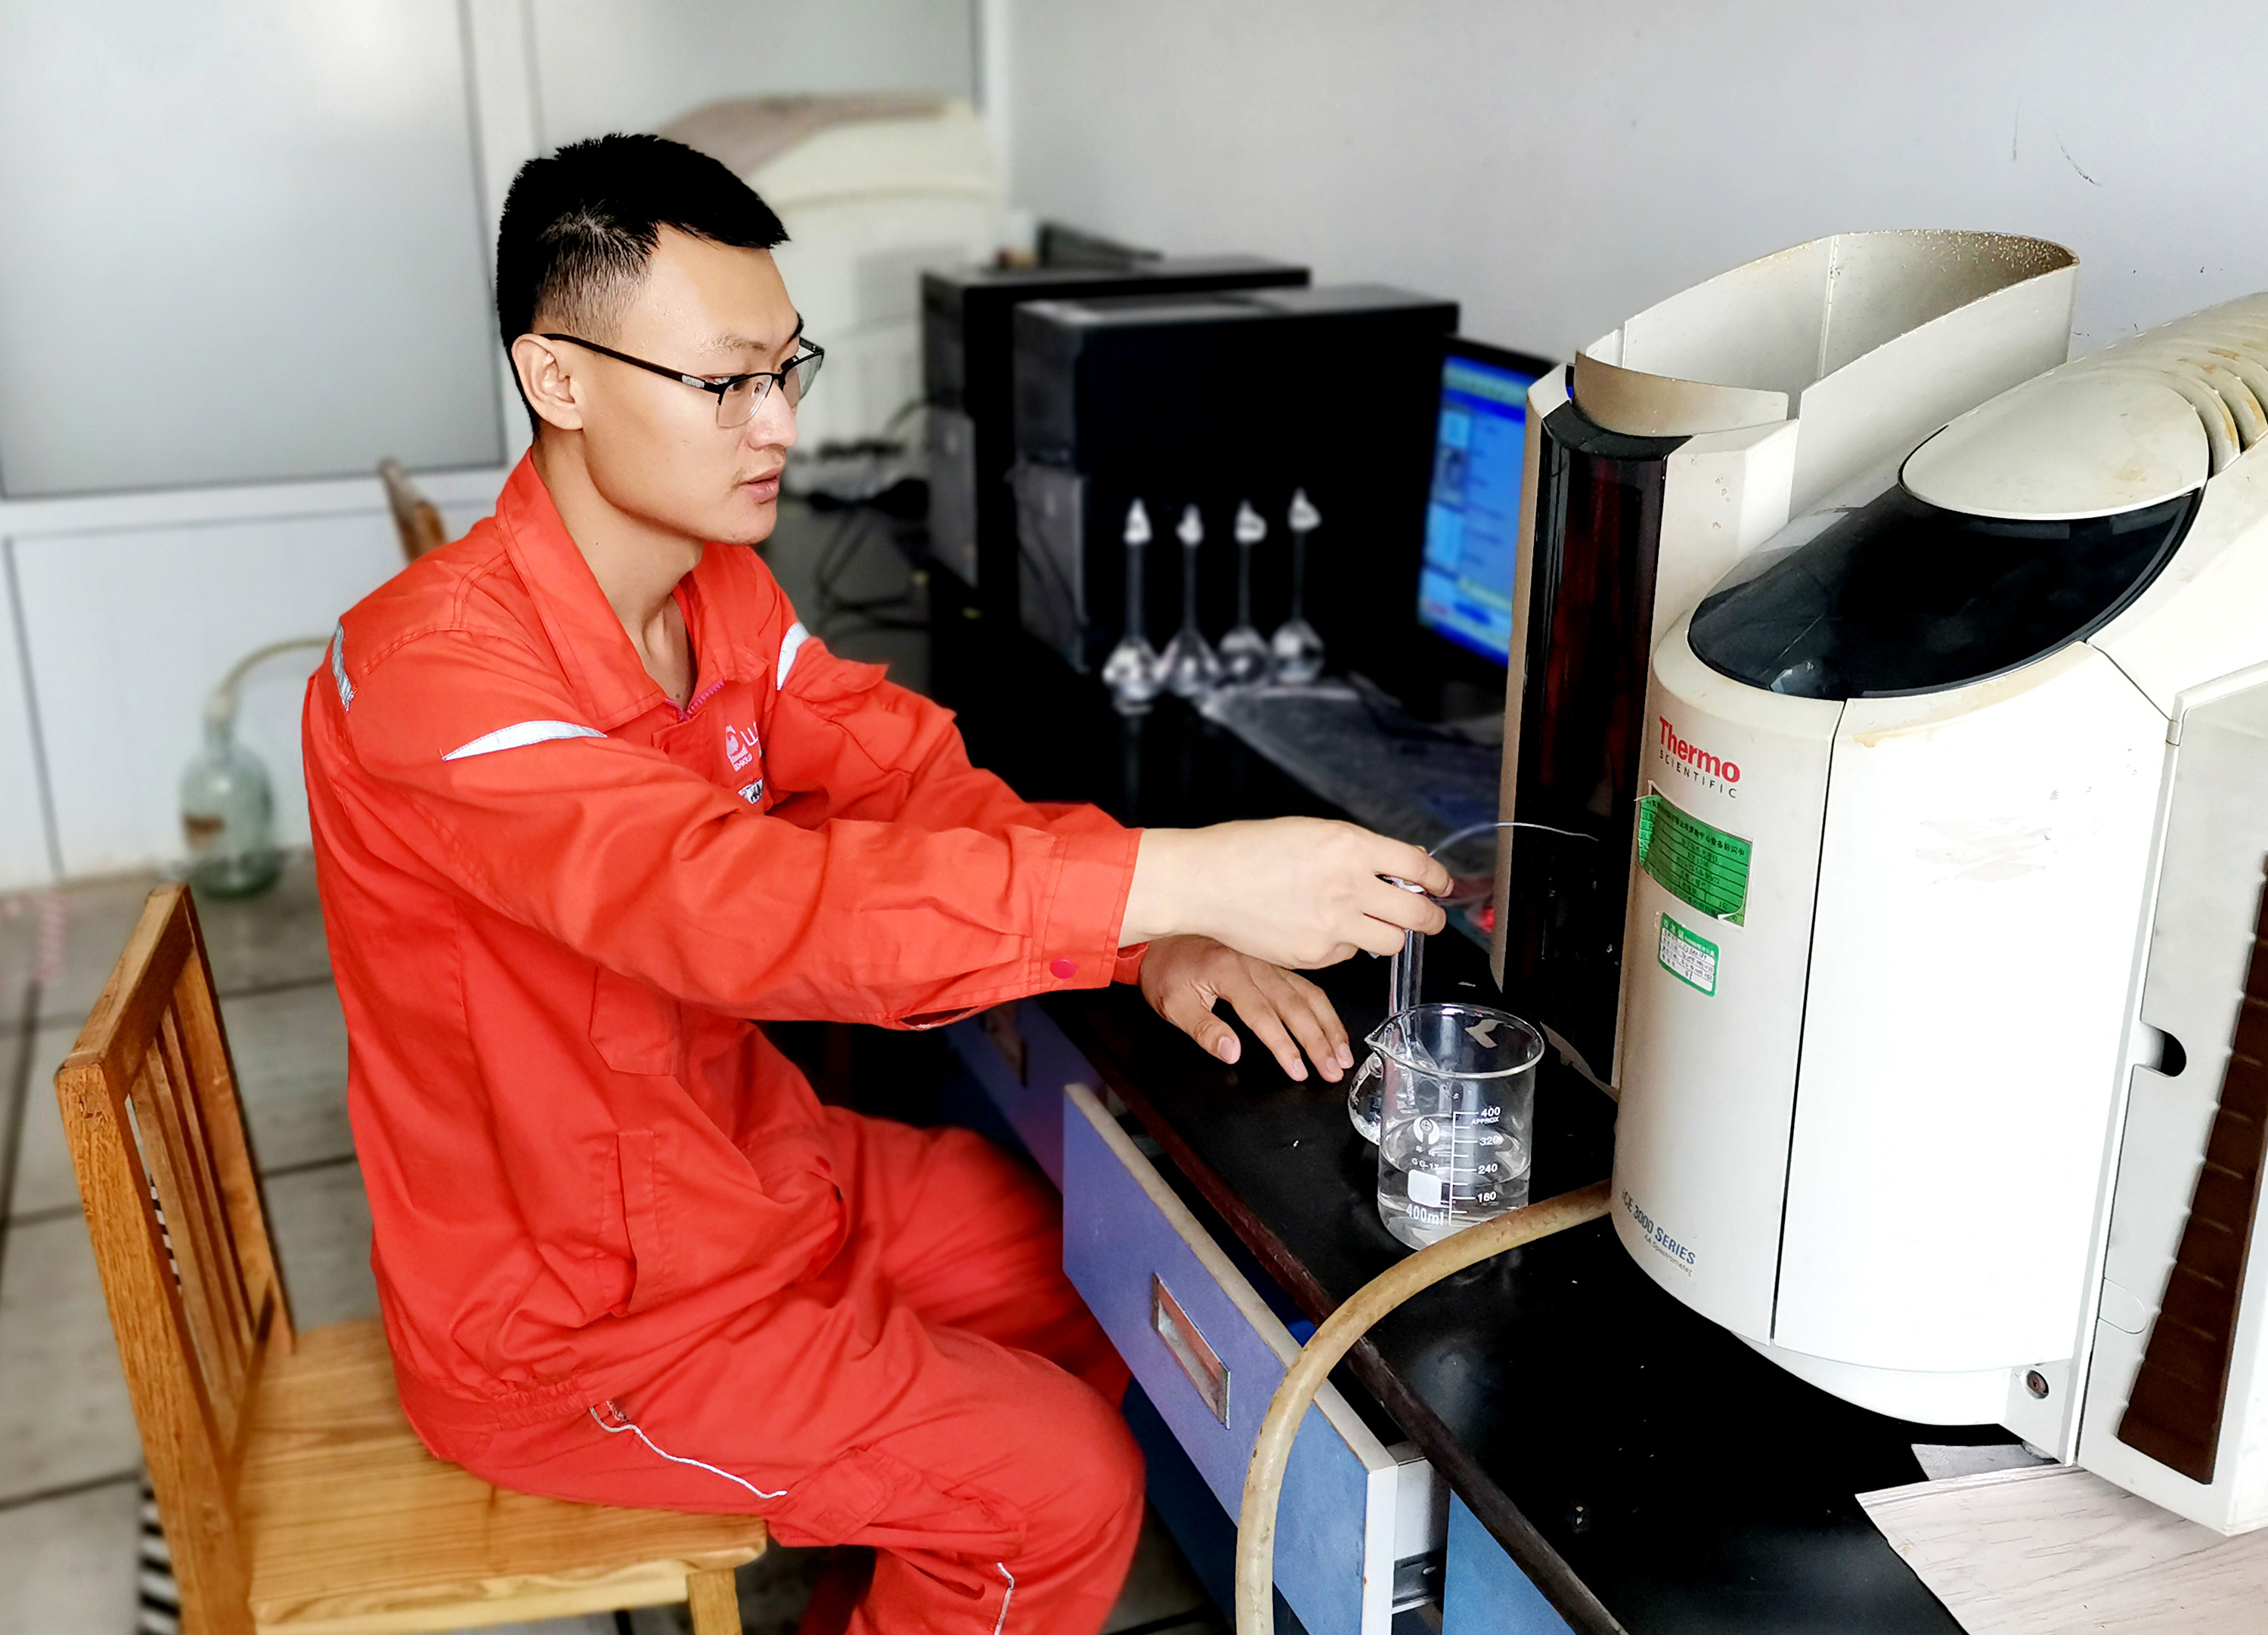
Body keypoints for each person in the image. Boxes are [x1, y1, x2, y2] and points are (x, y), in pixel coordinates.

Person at [302, 133, 1448, 1635]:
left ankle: (887, 1582)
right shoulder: (431, 673)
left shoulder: (714, 586)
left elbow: (903, 775)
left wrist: (1156, 932)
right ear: (558, 377)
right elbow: (740, 906)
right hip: (584, 1324)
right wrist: (1184, 871)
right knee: (1064, 1491)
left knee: (1097, 1269)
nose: (779, 422)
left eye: (789, 367)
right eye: (727, 383)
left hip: (752, 1180)